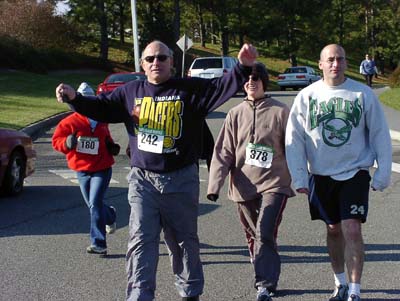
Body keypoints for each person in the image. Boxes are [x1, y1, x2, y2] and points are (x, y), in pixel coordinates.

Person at [55, 40, 258, 301]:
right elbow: (102, 107)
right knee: (141, 239)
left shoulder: (189, 89)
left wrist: (243, 66)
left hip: (181, 178)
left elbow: (221, 87)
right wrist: (75, 99)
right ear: (142, 64)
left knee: (183, 240)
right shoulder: (131, 91)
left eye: (162, 58)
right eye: (150, 58)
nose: (156, 63)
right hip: (143, 179)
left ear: (172, 62)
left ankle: (189, 291)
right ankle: (139, 294)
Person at [285, 44, 392, 301]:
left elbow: (380, 135)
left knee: (352, 229)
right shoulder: (307, 96)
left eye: (340, 59)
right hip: (320, 174)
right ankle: (340, 282)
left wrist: (382, 173)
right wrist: (299, 176)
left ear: (346, 63)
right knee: (333, 229)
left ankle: (355, 291)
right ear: (320, 64)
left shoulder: (362, 94)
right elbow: (294, 138)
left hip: (355, 171)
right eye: (330, 60)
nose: (335, 64)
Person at [206, 62, 294, 301]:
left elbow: (294, 148)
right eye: (246, 79)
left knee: (265, 229)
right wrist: (214, 186)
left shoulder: (281, 111)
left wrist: (303, 177)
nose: (251, 82)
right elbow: (223, 151)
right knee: (254, 235)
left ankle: (264, 284)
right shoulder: (235, 113)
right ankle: (265, 272)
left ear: (264, 81)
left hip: (275, 182)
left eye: (256, 78)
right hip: (243, 185)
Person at [52, 82, 120, 255]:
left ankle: (99, 243)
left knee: (95, 202)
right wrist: (67, 143)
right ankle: (110, 215)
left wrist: (111, 146)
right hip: (81, 170)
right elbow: (56, 142)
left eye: (91, 98)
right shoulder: (69, 122)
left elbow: (106, 139)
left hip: (102, 168)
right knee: (93, 204)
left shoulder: (101, 120)